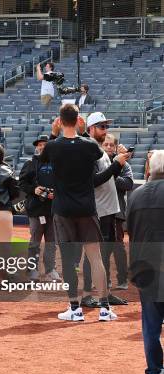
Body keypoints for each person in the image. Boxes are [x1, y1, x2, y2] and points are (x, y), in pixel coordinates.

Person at [40, 104, 129, 322]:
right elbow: (95, 154)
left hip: (63, 209)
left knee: (69, 261)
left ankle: (74, 308)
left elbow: (41, 164)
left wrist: (54, 133)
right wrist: (79, 132)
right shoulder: (89, 145)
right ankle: (105, 308)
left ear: (59, 122)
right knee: (95, 257)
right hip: (87, 209)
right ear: (79, 120)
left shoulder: (53, 146)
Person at [80, 112, 128, 308]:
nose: (105, 130)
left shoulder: (99, 151)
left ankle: (104, 293)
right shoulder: (88, 151)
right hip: (97, 210)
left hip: (107, 210)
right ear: (90, 129)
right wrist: (116, 163)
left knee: (104, 254)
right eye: (101, 126)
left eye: (106, 126)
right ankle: (86, 294)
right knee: (93, 253)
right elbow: (93, 181)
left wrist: (118, 162)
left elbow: (108, 178)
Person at [127, 150, 164, 374]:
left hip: (146, 268)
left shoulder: (135, 196)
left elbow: (130, 231)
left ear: (150, 169)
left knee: (150, 326)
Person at [19, 135, 59, 282]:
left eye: (45, 144)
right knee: (35, 242)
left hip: (53, 209)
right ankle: (32, 270)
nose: (41, 147)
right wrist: (34, 189)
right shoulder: (30, 163)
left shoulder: (57, 162)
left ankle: (50, 270)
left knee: (51, 242)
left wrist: (57, 193)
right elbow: (22, 183)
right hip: (36, 209)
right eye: (39, 145)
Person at [102, 133, 133, 290]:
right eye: (105, 144)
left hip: (117, 212)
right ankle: (104, 280)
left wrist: (110, 175)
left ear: (115, 147)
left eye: (111, 145)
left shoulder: (124, 164)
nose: (108, 147)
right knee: (101, 248)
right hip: (100, 212)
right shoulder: (97, 162)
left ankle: (122, 280)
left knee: (118, 247)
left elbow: (128, 184)